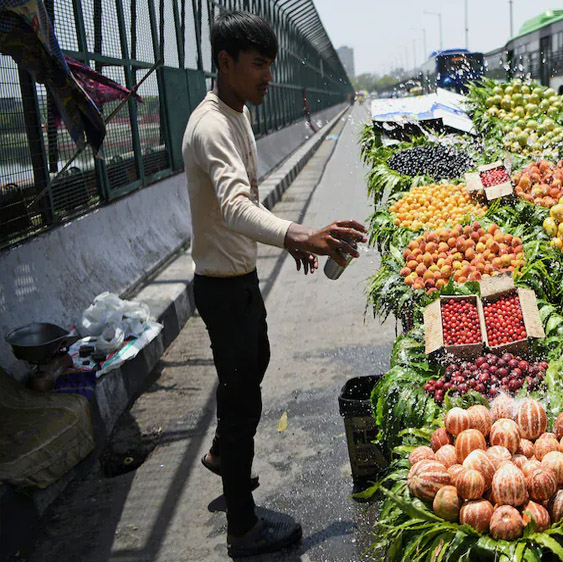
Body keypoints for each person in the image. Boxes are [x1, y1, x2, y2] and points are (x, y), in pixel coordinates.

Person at [181, 10, 367, 558]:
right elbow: (235, 206)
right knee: (243, 401)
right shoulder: (213, 127)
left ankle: (223, 454)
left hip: (236, 278)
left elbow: (244, 206)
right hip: (222, 287)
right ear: (226, 62)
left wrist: (286, 241)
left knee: (252, 364)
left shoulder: (235, 112)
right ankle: (243, 528)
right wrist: (299, 234)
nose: (269, 76)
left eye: (271, 64)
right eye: (259, 64)